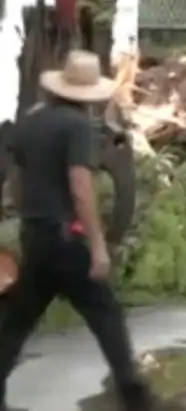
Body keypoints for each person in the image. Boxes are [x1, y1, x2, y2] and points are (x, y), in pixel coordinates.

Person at [0, 50, 156, 411]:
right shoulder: (77, 127)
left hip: (36, 237)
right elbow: (80, 185)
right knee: (106, 314)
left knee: (17, 321)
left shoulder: (29, 124)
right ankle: (136, 397)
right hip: (68, 239)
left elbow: (19, 182)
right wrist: (98, 246)